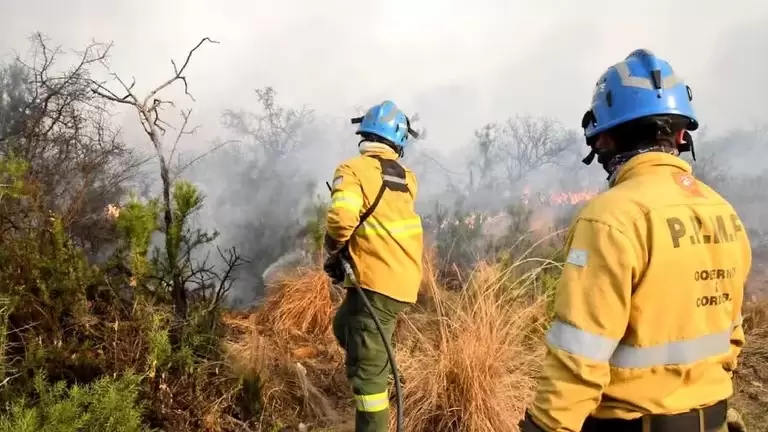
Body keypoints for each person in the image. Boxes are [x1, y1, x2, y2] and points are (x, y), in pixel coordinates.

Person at [518, 49, 752, 432]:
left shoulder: (610, 218)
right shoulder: (723, 211)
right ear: (681, 135)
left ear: (605, 140)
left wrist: (544, 427)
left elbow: (579, 359)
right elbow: (733, 337)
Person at [323, 100, 423, 432]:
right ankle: (375, 362)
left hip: (378, 284)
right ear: (398, 142)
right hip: (402, 278)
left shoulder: (352, 169)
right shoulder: (407, 177)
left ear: (365, 133)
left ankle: (374, 376)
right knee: (344, 325)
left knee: (368, 387)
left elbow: (341, 220)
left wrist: (334, 251)